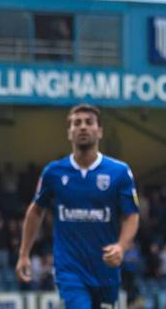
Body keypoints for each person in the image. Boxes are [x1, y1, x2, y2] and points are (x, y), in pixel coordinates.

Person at [16, 104, 140, 309]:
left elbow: (131, 215)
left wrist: (121, 246)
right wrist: (23, 254)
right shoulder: (54, 172)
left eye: (89, 122)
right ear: (69, 132)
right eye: (77, 123)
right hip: (69, 269)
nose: (83, 127)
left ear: (100, 131)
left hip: (105, 270)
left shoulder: (119, 172)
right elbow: (36, 211)